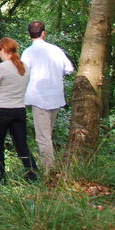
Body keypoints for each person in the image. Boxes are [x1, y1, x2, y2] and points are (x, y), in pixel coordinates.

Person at [0, 37, 38, 182]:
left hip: (1, 110)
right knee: (21, 144)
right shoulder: (25, 67)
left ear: (2, 49)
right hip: (19, 110)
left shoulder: (2, 67)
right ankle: (33, 173)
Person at [21, 21, 74, 172]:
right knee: (47, 135)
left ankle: (50, 171)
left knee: (43, 137)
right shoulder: (56, 50)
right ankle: (50, 168)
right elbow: (69, 69)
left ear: (29, 34)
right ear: (43, 33)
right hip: (56, 97)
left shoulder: (29, 52)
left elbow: (23, 72)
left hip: (39, 98)